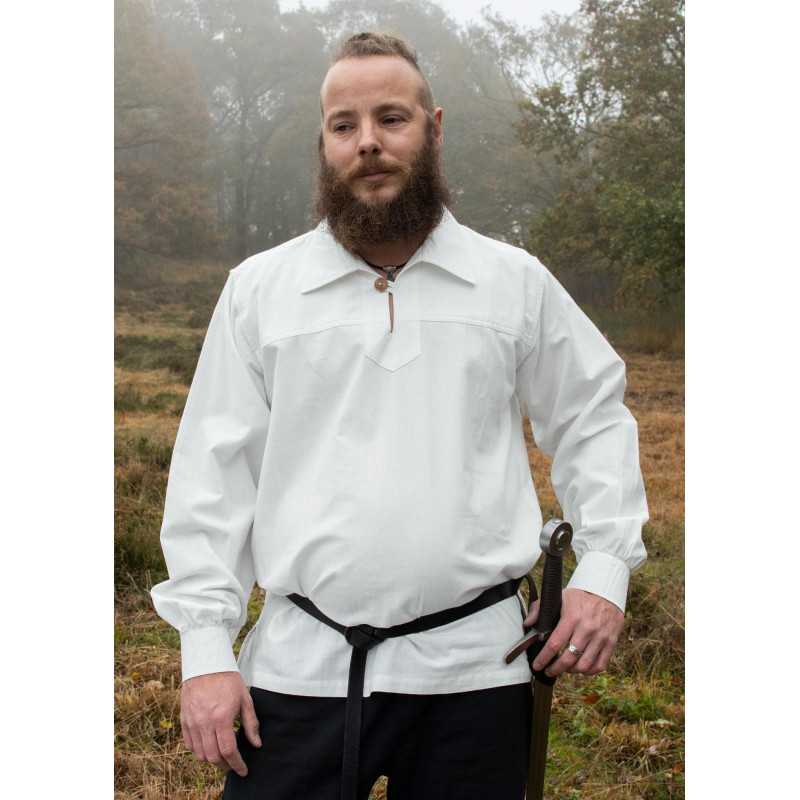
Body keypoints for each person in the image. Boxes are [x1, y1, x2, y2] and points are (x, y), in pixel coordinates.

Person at [150, 31, 649, 800]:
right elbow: (213, 477)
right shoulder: (260, 291)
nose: (368, 142)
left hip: (475, 673)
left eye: (391, 118)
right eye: (343, 125)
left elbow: (593, 417)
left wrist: (606, 568)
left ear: (433, 128)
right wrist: (206, 651)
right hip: (300, 669)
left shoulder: (511, 281)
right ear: (324, 144)